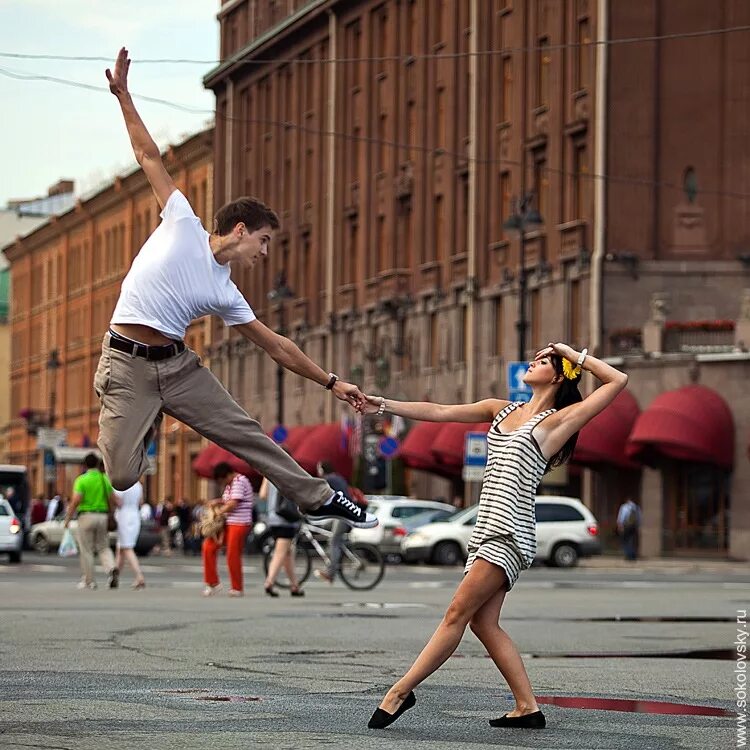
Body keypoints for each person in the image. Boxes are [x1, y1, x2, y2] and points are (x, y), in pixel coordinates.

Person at [98, 48, 375, 532]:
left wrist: (332, 382)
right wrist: (124, 97)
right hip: (125, 364)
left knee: (246, 433)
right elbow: (147, 155)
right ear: (241, 229)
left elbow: (278, 348)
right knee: (122, 475)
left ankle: (317, 497)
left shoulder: (227, 293)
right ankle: (149, 417)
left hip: (179, 369)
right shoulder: (182, 220)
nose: (264, 255)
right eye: (264, 242)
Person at [361, 343, 628, 730]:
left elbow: (617, 380)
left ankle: (399, 692)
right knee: (483, 624)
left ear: (557, 375)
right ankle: (527, 707)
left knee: (455, 613)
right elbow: (439, 412)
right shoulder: (499, 409)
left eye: (542, 360)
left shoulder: (558, 421)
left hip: (509, 532)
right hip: (484, 528)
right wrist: (382, 404)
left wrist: (573, 354)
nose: (533, 361)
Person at [64, 453, 119, 590]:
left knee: (86, 549)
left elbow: (76, 500)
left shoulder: (82, 480)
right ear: (97, 464)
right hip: (103, 517)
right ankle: (111, 568)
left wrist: (68, 518)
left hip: (86, 516)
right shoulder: (104, 479)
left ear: (85, 465)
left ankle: (89, 581)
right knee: (103, 546)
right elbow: (114, 499)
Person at [202, 463, 254, 597]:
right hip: (228, 523)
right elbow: (228, 500)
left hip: (239, 522)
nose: (222, 483)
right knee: (208, 546)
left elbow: (233, 503)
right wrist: (218, 501)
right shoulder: (230, 485)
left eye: (222, 480)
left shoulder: (239, 481)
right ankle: (212, 582)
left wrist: (218, 512)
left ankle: (237, 587)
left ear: (228, 475)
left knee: (233, 553)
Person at [261, 477, 305, 598]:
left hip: (272, 517)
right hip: (286, 518)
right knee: (280, 553)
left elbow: (263, 495)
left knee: (288, 553)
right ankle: (269, 582)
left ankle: (294, 585)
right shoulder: (286, 472)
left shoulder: (268, 475)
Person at [313, 461, 353, 584]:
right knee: (325, 528)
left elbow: (318, 495)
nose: (318, 471)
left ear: (323, 469)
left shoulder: (328, 480)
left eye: (319, 468)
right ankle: (333, 552)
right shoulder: (337, 478)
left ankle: (330, 573)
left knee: (334, 541)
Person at [114, 481, 146, 589]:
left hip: (123, 515)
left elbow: (118, 502)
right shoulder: (138, 485)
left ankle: (139, 575)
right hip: (135, 515)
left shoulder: (120, 484)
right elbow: (141, 502)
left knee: (127, 547)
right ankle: (115, 576)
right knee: (121, 549)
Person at [617, 497, 641, 562]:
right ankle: (633, 555)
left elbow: (622, 517)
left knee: (625, 540)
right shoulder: (636, 507)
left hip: (627, 526)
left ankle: (628, 555)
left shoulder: (624, 507)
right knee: (632, 540)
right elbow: (639, 518)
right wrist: (638, 526)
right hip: (634, 526)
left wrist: (620, 525)